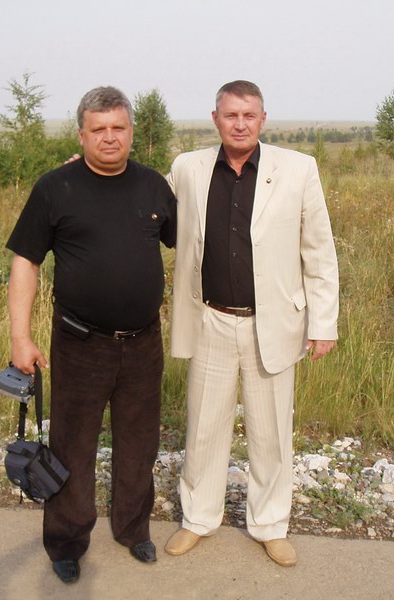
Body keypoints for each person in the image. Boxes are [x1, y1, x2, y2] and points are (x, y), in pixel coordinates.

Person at [164, 80, 339, 567]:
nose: (239, 124)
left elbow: (319, 251)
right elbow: (145, 207)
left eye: (248, 115)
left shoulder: (298, 169)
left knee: (271, 434)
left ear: (263, 119)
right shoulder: (188, 168)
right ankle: (198, 518)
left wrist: (323, 323)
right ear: (215, 119)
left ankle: (270, 525)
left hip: (274, 324)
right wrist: (92, 176)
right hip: (211, 320)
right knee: (204, 427)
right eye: (230, 115)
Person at [6, 86, 176, 583]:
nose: (109, 137)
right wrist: (20, 337)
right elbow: (26, 262)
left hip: (143, 342)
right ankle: (66, 541)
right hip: (80, 344)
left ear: (131, 132)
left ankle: (133, 529)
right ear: (81, 135)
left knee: (139, 443)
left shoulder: (153, 186)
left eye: (118, 127)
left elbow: (185, 241)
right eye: (98, 129)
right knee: (72, 446)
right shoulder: (55, 187)